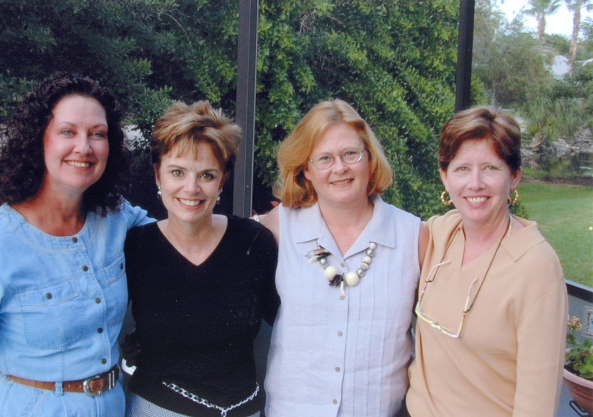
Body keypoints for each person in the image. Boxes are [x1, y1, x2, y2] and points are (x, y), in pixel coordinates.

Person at [0, 72, 152, 417]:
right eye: (67, 132)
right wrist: (2, 380)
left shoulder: (117, 217)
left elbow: (179, 240)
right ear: (39, 140)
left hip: (113, 405)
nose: (84, 147)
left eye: (97, 134)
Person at [259, 99, 427, 416]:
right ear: (305, 169)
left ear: (369, 158)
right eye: (324, 158)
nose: (340, 168)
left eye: (350, 154)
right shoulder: (279, 226)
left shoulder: (413, 236)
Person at [405, 106, 567, 417]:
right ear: (445, 176)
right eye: (462, 168)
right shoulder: (439, 234)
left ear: (514, 176)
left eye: (491, 168)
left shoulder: (536, 266)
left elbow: (538, 401)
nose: (475, 183)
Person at [123, 100, 279, 417]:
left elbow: (291, 324)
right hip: (158, 410)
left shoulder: (253, 242)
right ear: (158, 175)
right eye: (177, 172)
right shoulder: (136, 247)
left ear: (222, 181)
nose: (191, 189)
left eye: (206, 175)